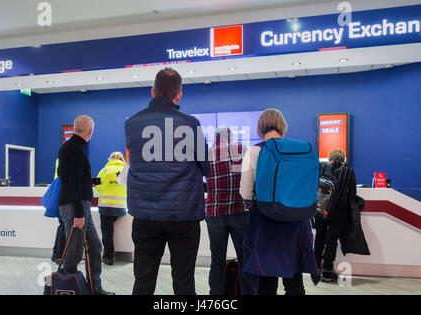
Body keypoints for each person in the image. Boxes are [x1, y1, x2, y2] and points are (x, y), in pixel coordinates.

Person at [125, 67, 209, 295]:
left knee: (143, 280)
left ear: (153, 92)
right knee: (184, 282)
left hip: (145, 215)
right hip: (183, 214)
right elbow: (206, 167)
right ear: (178, 95)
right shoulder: (191, 124)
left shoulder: (132, 123)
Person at [240, 109, 320, 295]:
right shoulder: (300, 150)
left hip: (266, 222)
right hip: (298, 223)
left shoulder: (253, 152)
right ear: (283, 127)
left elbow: (245, 193)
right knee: (294, 281)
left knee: (267, 282)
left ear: (260, 128)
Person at [57, 114, 114, 295]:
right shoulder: (75, 150)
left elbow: (70, 178)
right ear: (90, 131)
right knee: (74, 251)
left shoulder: (70, 147)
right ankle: (68, 289)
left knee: (95, 246)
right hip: (76, 207)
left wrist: (87, 181)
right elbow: (72, 183)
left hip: (78, 205)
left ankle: (95, 289)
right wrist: (79, 215)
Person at [205, 127, 253, 295]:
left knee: (216, 260)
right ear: (231, 137)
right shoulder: (242, 149)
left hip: (215, 212)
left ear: (215, 137)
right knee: (244, 258)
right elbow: (250, 179)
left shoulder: (207, 153)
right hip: (239, 210)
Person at [314, 149, 364, 282]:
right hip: (339, 212)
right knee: (331, 240)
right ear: (343, 159)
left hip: (321, 210)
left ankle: (315, 269)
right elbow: (352, 194)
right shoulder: (348, 172)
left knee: (319, 237)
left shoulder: (322, 168)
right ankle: (327, 271)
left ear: (330, 158)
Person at [95, 152, 128, 266]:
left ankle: (109, 257)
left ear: (111, 159)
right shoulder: (126, 169)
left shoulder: (104, 171)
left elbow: (97, 186)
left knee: (107, 232)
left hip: (105, 207)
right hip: (121, 208)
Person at [51, 158, 66, 265]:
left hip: (59, 193)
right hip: (64, 194)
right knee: (64, 226)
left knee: (61, 226)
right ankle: (60, 255)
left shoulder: (60, 158)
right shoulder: (68, 158)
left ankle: (56, 254)